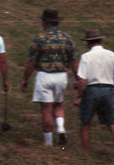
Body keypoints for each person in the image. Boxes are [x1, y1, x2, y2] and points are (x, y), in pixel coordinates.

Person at [21, 9, 78, 147]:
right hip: (61, 76)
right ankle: (61, 129)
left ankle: (48, 143)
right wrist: (77, 78)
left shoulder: (40, 38)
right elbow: (74, 61)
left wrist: (25, 79)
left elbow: (32, 62)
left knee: (46, 109)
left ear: (45, 22)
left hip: (45, 76)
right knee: (58, 105)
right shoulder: (67, 39)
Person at [73, 28, 114, 162]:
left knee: (86, 122)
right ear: (100, 40)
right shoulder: (111, 55)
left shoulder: (86, 57)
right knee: (113, 124)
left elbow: (82, 79)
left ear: (88, 43)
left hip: (92, 91)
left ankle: (85, 154)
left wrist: (80, 96)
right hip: (108, 90)